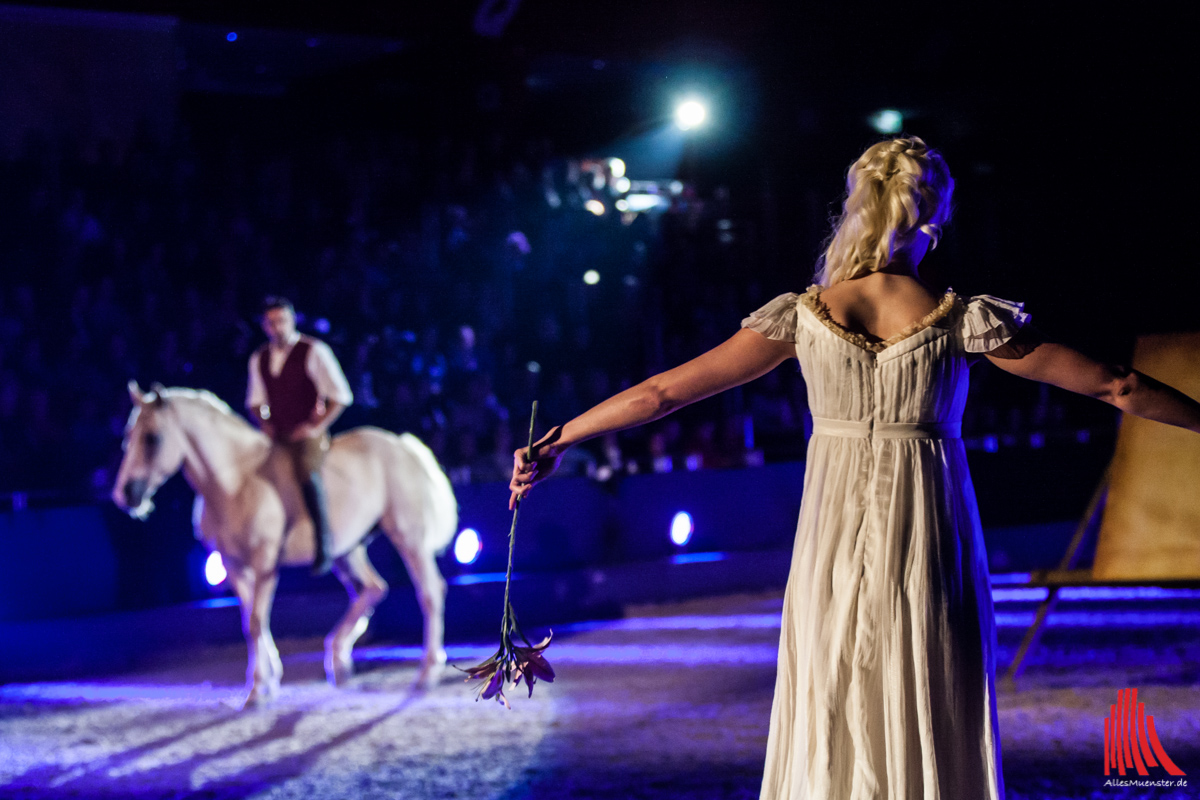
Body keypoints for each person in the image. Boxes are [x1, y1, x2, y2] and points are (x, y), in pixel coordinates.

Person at [508, 137, 1200, 799]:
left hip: (831, 541)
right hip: (928, 536)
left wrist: (560, 437)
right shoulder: (961, 320)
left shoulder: (805, 317)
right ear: (934, 214)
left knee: (834, 690)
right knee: (926, 682)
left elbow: (662, 393)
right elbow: (1118, 385)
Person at [247, 297, 354, 576]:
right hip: (278, 434)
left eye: (281, 320)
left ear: (292, 321)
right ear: (264, 326)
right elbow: (255, 401)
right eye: (271, 322)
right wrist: (265, 423)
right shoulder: (259, 358)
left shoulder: (313, 350)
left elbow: (341, 396)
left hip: (306, 433)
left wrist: (317, 427)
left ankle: (324, 542)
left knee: (306, 470)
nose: (277, 327)